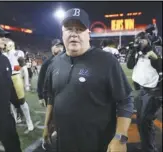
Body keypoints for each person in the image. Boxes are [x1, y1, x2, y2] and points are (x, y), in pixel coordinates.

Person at [42, 8, 134, 152]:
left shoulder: (106, 61)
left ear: (88, 35)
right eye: (69, 29)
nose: (74, 34)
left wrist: (120, 138)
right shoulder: (55, 63)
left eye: (79, 29)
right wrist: (46, 126)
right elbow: (52, 97)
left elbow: (126, 100)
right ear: (62, 34)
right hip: (64, 141)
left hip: (97, 143)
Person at [126, 30, 162, 152]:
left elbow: (160, 65)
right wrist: (132, 51)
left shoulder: (156, 49)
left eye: (142, 40)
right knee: (141, 121)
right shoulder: (136, 51)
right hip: (140, 89)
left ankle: (150, 148)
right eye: (137, 40)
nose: (139, 42)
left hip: (153, 90)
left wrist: (155, 57)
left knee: (145, 120)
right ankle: (146, 144)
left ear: (148, 40)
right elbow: (130, 66)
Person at [0, 22, 22, 152]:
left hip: (4, 116)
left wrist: (17, 103)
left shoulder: (4, 60)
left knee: (14, 147)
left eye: (4, 35)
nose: (4, 38)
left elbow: (8, 84)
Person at [2, 38, 34, 131]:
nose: (4, 45)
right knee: (11, 101)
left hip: (16, 77)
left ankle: (29, 121)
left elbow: (24, 69)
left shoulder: (18, 53)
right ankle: (16, 118)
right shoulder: (3, 55)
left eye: (6, 43)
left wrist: (27, 83)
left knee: (22, 101)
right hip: (6, 79)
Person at [37, 39, 64, 107]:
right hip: (50, 96)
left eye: (61, 46)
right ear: (52, 48)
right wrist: (40, 97)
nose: (60, 49)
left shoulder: (67, 60)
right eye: (57, 46)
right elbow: (41, 80)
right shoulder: (46, 63)